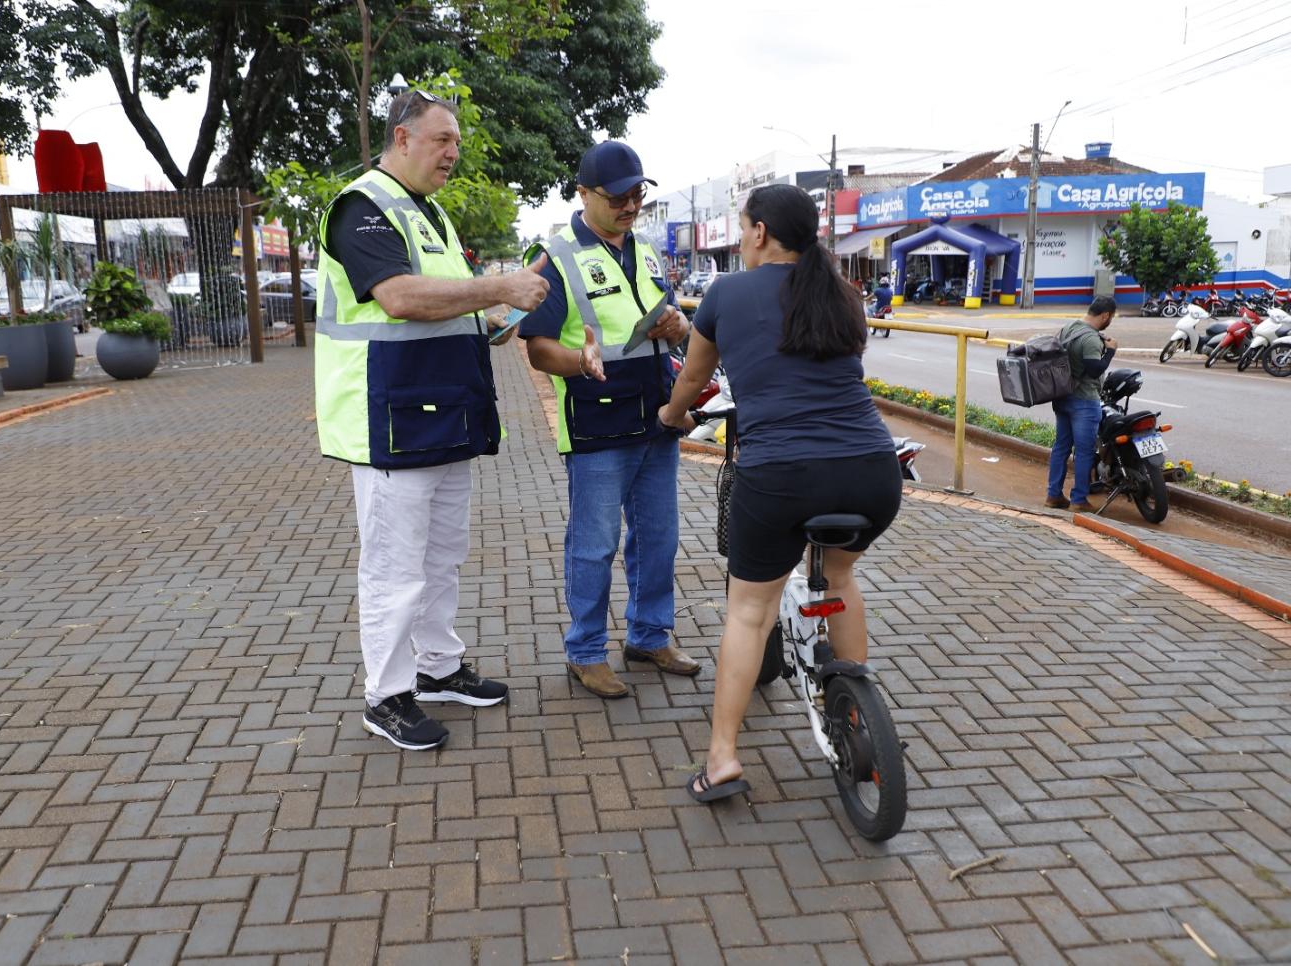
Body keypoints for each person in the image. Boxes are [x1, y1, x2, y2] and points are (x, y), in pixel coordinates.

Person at [314, 87, 550, 751]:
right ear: (402, 138)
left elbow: (454, 307)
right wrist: (498, 287)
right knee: (395, 567)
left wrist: (500, 317)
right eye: (442, 139)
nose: (453, 152)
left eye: (456, 142)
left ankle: (438, 669)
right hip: (389, 418)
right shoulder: (363, 207)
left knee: (442, 555)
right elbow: (399, 299)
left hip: (441, 414)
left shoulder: (432, 218)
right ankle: (386, 697)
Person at [658, 183, 901, 803]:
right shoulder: (842, 295)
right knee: (840, 580)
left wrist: (671, 416)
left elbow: (693, 376)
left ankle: (721, 759)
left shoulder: (726, 292)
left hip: (781, 475)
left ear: (761, 232)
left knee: (748, 610)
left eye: (744, 228)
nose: (742, 238)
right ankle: (856, 705)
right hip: (872, 470)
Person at [519, 141, 694, 700]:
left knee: (659, 538)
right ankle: (586, 650)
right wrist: (579, 360)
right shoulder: (557, 256)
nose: (631, 205)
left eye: (638, 194)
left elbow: (668, 321)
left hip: (657, 417)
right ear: (584, 193)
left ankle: (648, 634)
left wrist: (678, 330)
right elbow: (538, 349)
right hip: (596, 423)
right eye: (618, 196)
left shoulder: (644, 251)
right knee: (594, 544)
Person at [1046, 296, 1118, 512]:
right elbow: (1095, 369)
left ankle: (1053, 495)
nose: (1110, 321)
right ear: (1105, 315)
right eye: (1111, 318)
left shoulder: (1068, 328)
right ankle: (1078, 500)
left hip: (1062, 396)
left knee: (1061, 447)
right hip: (1084, 401)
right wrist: (1111, 351)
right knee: (1085, 451)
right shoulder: (1091, 340)